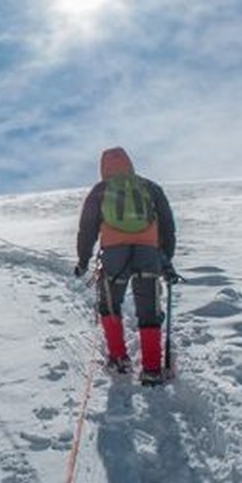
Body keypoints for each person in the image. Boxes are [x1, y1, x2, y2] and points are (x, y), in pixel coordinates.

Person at [74, 147, 177, 383]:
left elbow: (87, 230)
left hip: (114, 254)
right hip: (148, 252)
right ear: (129, 163)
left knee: (110, 304)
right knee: (148, 309)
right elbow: (167, 226)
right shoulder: (149, 187)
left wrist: (82, 261)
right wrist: (165, 259)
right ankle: (152, 369)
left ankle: (118, 359)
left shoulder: (101, 190)